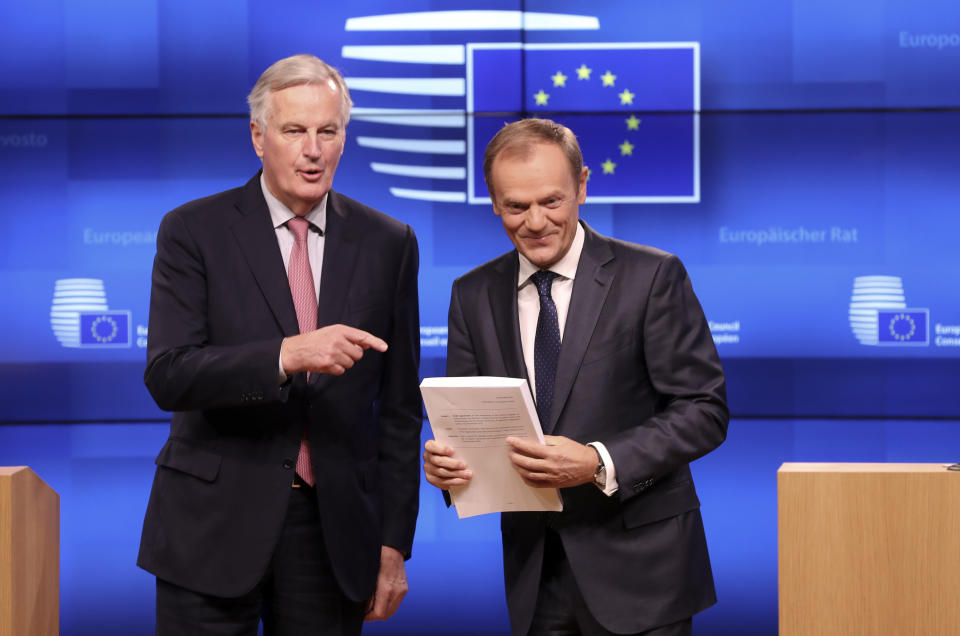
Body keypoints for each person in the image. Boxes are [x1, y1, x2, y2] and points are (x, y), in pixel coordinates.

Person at [138, 54, 422, 635]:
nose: (312, 149)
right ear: (259, 137)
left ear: (344, 139)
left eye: (328, 131)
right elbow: (169, 375)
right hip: (212, 529)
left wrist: (394, 545)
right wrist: (286, 355)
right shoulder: (193, 231)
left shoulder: (389, 242)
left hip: (333, 535)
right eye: (294, 131)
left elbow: (398, 412)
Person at [423, 118, 728, 636]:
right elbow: (469, 421)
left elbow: (704, 409)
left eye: (552, 201)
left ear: (582, 186)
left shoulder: (652, 277)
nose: (536, 222)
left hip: (643, 572)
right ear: (493, 202)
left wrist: (597, 461)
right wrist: (451, 468)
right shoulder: (470, 294)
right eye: (516, 206)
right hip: (536, 575)